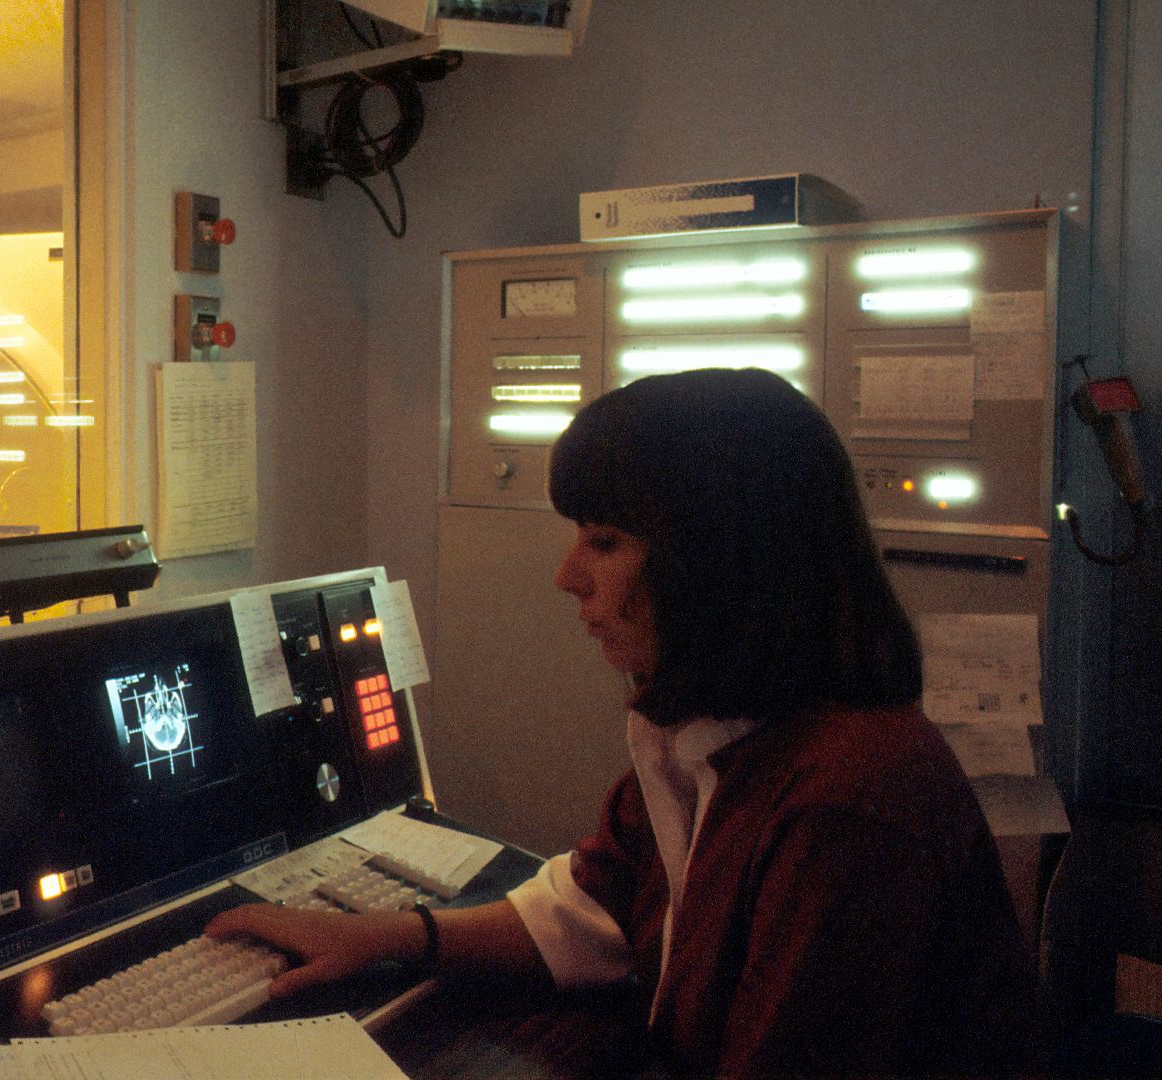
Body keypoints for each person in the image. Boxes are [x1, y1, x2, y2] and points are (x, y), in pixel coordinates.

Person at [205, 368, 1040, 1077]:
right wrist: (380, 937)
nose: (569, 577)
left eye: (603, 542)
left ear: (719, 559)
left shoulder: (845, 801)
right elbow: (597, 908)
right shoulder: (711, 733)